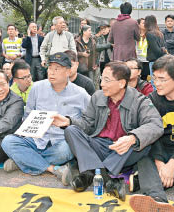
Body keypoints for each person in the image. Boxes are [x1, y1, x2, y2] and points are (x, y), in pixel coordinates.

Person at [52, 61, 164, 201]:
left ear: (122, 83)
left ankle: (91, 172)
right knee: (71, 131)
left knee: (142, 145)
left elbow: (156, 125)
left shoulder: (139, 100)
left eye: (106, 80)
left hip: (124, 149)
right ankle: (107, 178)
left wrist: (132, 138)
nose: (102, 84)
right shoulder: (98, 97)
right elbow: (87, 124)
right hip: (100, 146)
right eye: (101, 79)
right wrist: (69, 121)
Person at [1, 52, 90, 185]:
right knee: (8, 142)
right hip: (37, 140)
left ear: (68, 71)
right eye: (50, 68)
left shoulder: (80, 94)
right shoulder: (37, 88)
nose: (51, 72)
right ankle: (53, 168)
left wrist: (67, 122)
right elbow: (28, 115)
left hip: (61, 142)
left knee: (67, 149)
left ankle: (23, 160)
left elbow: (89, 122)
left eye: (57, 69)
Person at [129, 55, 174, 212]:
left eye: (162, 79)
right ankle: (157, 199)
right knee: (142, 149)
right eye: (154, 78)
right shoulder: (151, 99)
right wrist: (160, 162)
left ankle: (148, 181)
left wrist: (172, 164)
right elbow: (150, 131)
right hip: (161, 148)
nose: (157, 83)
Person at [145, 15, 166, 87]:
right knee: (161, 82)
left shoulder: (149, 34)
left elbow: (155, 49)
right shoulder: (160, 33)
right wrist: (163, 50)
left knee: (154, 83)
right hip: (162, 60)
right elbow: (163, 47)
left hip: (153, 60)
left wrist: (161, 50)